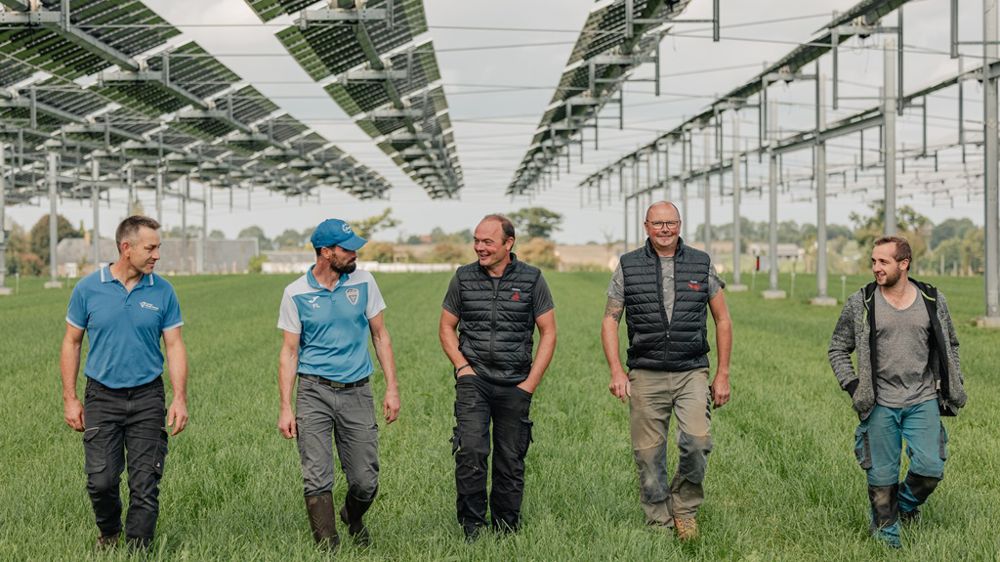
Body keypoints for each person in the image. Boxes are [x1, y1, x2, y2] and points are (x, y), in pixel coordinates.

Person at [600, 201, 732, 542]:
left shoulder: (701, 263)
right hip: (645, 372)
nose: (664, 229)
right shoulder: (628, 266)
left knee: (697, 442)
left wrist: (722, 374)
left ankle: (684, 509)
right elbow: (610, 320)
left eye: (670, 222)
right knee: (648, 454)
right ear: (646, 226)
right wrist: (616, 371)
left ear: (680, 224)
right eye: (657, 223)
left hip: (692, 371)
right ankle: (659, 520)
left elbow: (722, 320)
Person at [828, 235, 966, 549]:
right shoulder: (861, 302)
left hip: (922, 398)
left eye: (883, 261)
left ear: (903, 264)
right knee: (881, 477)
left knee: (931, 468)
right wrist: (853, 386)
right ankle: (885, 539)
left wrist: (953, 380)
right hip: (879, 402)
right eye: (873, 261)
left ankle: (903, 505)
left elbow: (951, 344)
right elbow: (837, 349)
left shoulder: (931, 298)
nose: (875, 267)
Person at [60, 215, 189, 550]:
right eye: (151, 247)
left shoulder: (163, 291)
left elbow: (174, 345)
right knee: (101, 481)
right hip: (101, 397)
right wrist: (70, 398)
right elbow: (72, 342)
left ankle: (138, 550)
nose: (156, 255)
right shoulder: (88, 288)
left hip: (148, 397)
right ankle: (110, 533)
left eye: (158, 247)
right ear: (126, 247)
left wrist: (179, 398)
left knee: (145, 483)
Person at [277, 218, 400, 550]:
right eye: (348, 249)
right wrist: (286, 407)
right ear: (326, 252)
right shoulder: (295, 293)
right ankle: (328, 550)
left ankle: (353, 515)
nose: (354, 254)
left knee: (365, 479)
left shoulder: (364, 282)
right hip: (313, 391)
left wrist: (391, 387)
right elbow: (289, 352)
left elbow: (380, 335)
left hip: (357, 390)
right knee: (316, 474)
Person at [438, 214, 557, 541]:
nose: (479, 247)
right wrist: (462, 368)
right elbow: (446, 327)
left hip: (515, 383)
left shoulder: (532, 280)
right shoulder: (463, 278)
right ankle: (472, 528)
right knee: (471, 451)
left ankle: (506, 528)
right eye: (476, 240)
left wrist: (529, 384)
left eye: (487, 241)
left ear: (508, 243)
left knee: (510, 458)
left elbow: (548, 333)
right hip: (474, 381)